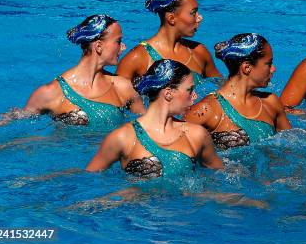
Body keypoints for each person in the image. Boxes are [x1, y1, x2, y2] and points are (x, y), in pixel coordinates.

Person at [0, 14, 144, 131]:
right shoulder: (52, 93)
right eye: (118, 41)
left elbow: (148, 127)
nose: (123, 47)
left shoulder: (123, 87)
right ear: (99, 46)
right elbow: (18, 117)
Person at [87, 59, 223, 178]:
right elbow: (88, 179)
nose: (195, 96)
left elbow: (220, 177)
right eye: (189, 90)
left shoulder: (197, 135)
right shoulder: (124, 137)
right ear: (168, 93)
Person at [185, 33, 291, 151]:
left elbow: (291, 149)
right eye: (268, 63)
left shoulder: (271, 103)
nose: (273, 69)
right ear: (247, 67)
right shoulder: (207, 110)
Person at [117, 0, 221, 84]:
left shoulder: (199, 52)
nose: (200, 17)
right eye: (193, 13)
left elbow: (225, 91)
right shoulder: (137, 59)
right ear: (171, 19)